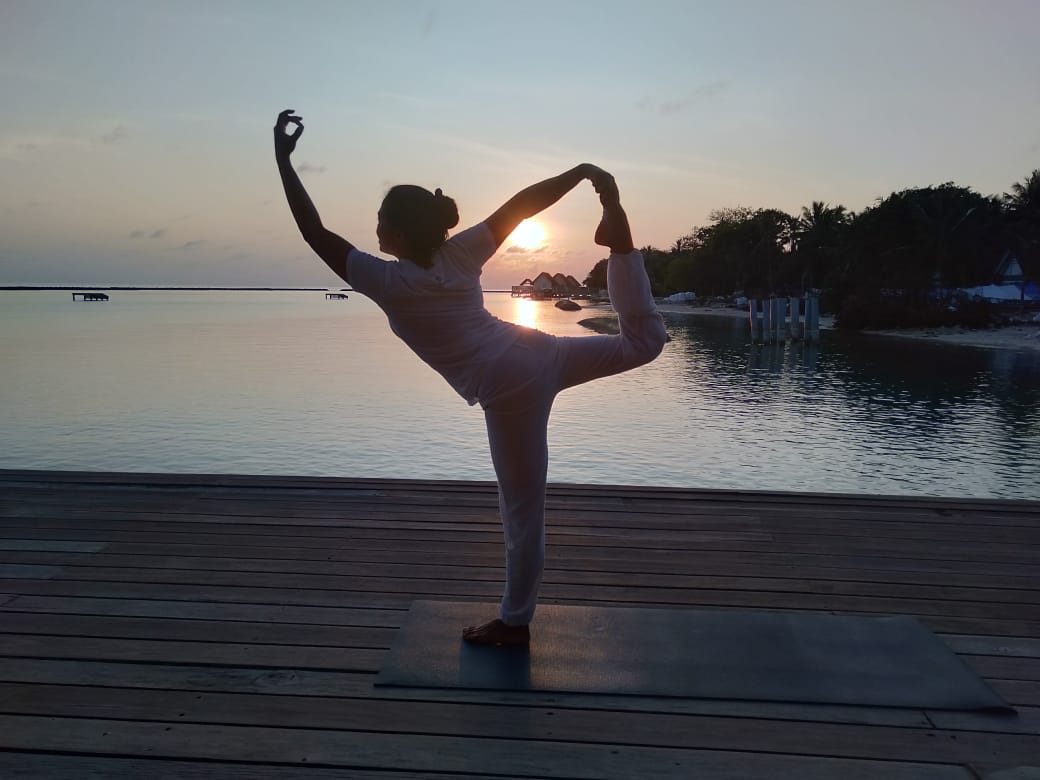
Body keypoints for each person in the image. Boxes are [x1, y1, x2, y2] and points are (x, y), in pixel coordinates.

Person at [275, 109, 666, 646]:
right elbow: (521, 207)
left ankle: (514, 622)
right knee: (643, 345)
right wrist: (579, 174)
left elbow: (313, 231)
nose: (375, 229)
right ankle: (622, 249)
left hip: (509, 386)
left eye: (381, 221)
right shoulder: (460, 253)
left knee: (523, 510)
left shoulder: (384, 279)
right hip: (537, 351)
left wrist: (283, 161)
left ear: (400, 231)